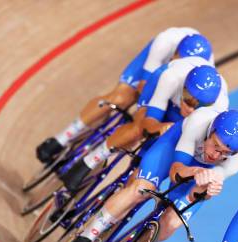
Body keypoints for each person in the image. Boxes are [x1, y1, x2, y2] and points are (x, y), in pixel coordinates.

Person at [66, 109, 238, 242]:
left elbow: (201, 192)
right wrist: (195, 172)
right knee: (140, 189)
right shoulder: (198, 122)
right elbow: (176, 171)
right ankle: (89, 235)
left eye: (225, 153)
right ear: (210, 131)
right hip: (173, 150)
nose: (216, 155)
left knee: (170, 224)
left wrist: (209, 190)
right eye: (215, 146)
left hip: (200, 173)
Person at [35, 28, 213, 164]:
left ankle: (94, 163)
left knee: (138, 131)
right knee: (121, 97)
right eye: (177, 59)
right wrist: (144, 110)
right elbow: (144, 85)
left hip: (177, 88)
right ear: (174, 53)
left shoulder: (203, 75)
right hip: (152, 69)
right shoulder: (166, 41)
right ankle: (63, 137)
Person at [59, 60, 228, 191]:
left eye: (197, 106)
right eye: (188, 100)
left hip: (186, 122)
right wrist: (158, 127)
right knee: (139, 128)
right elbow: (150, 122)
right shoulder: (171, 78)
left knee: (146, 172)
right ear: (183, 87)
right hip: (161, 92)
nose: (190, 108)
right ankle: (90, 160)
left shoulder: (217, 112)